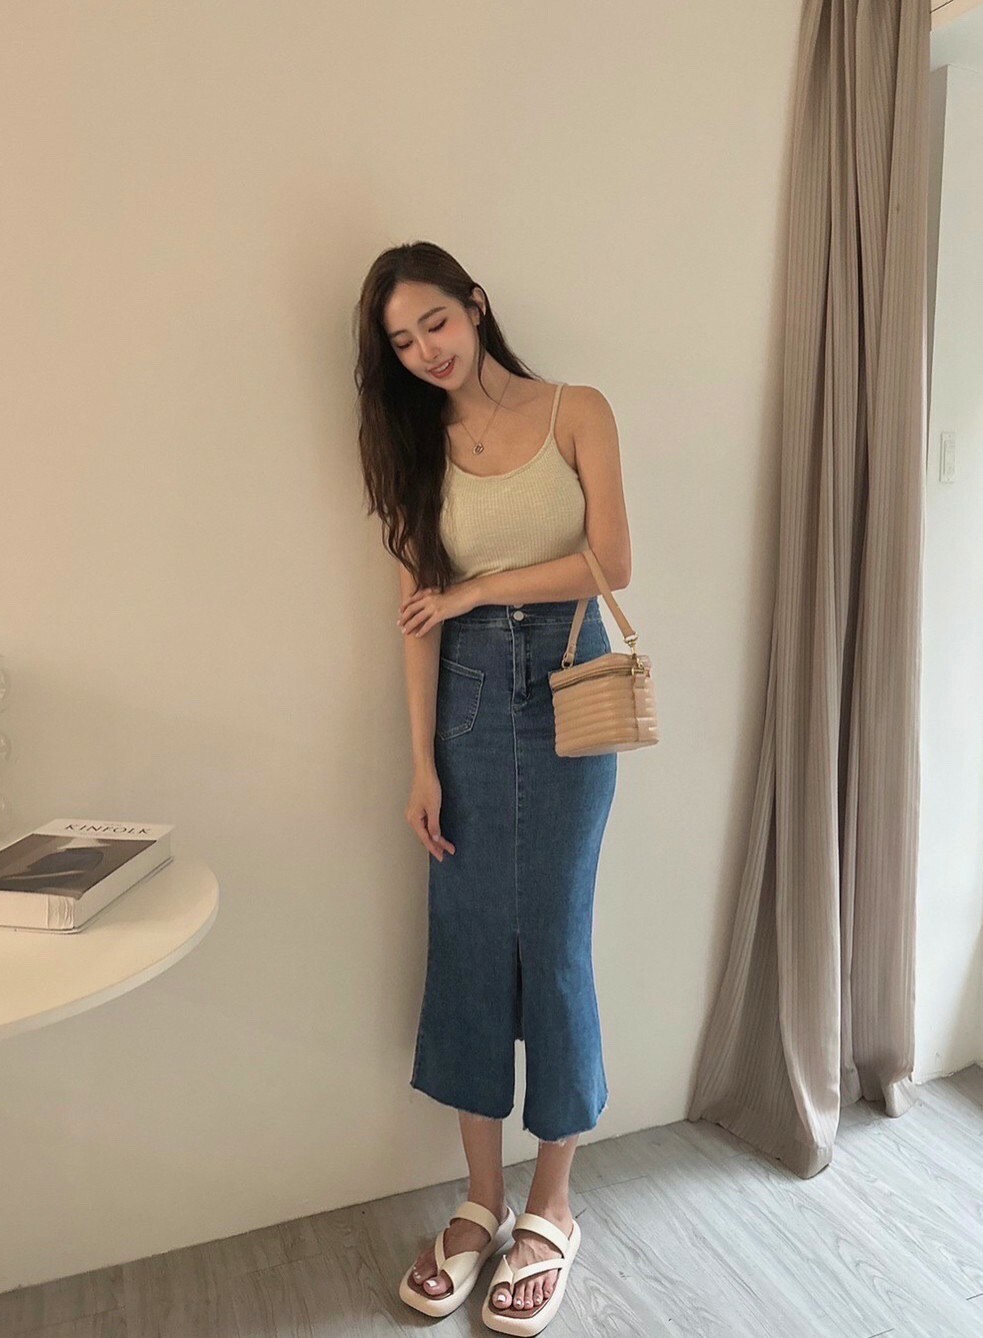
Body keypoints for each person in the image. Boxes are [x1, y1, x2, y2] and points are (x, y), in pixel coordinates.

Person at [354, 240, 632, 1332]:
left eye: (435, 321)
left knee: (555, 943)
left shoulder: (576, 410)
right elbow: (417, 620)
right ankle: (481, 1201)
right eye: (401, 340)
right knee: (466, 944)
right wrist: (420, 762)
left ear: (474, 305)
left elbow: (610, 561)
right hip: (464, 700)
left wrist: (479, 590)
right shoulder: (411, 449)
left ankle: (551, 1207)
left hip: (568, 682)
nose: (425, 350)